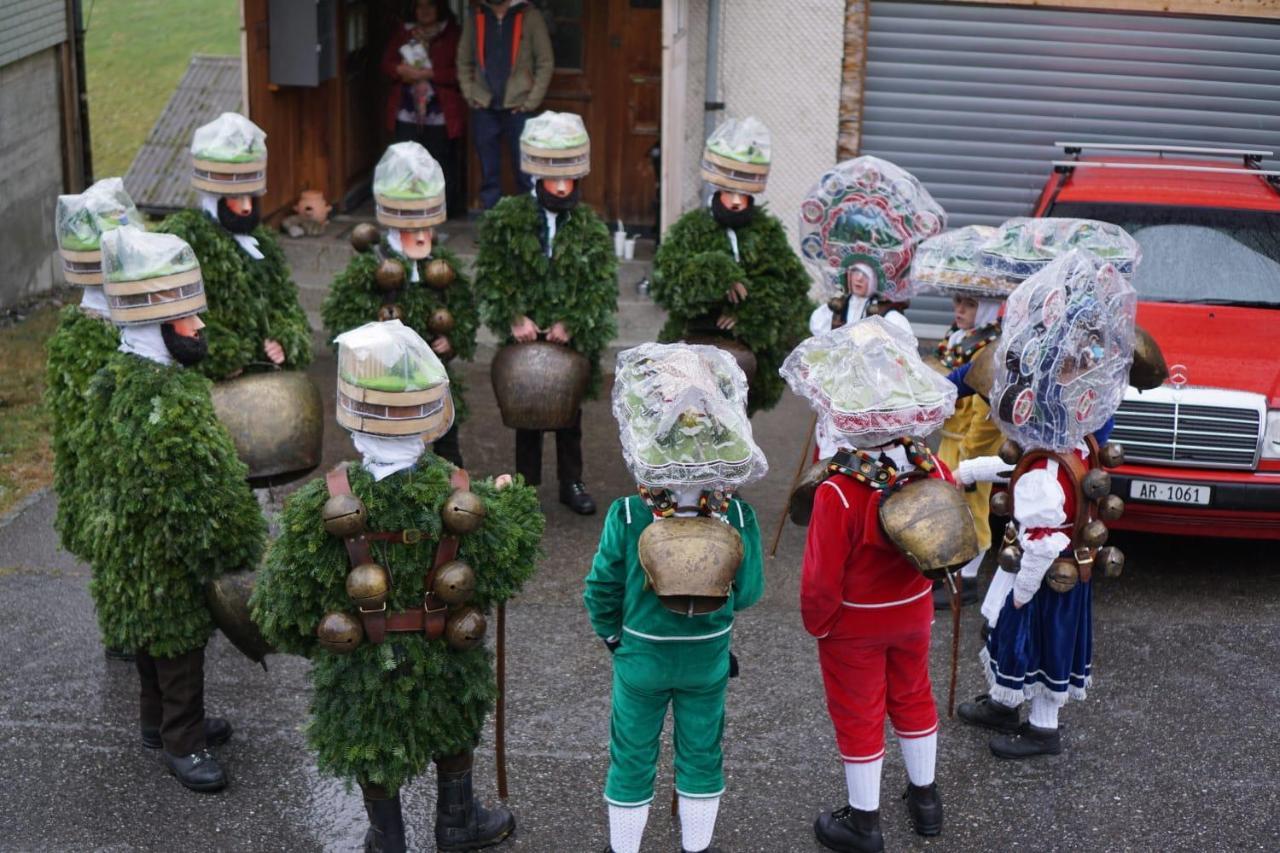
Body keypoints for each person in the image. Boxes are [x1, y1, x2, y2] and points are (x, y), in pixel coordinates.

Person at [252, 319, 544, 852]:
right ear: (430, 418)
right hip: (446, 655)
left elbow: (280, 610)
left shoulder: (324, 502)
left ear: (353, 414)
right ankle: (456, 821)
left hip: (364, 662)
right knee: (454, 720)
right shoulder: (461, 493)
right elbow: (507, 566)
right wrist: (510, 499)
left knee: (369, 738)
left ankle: (387, 836)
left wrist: (322, 645)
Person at [90, 227, 267, 792]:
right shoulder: (166, 399)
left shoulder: (118, 375)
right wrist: (240, 543)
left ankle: (156, 724)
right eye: (186, 319)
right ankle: (184, 743)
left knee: (150, 638)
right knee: (177, 644)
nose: (198, 327)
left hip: (129, 545)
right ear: (153, 323)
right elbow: (197, 494)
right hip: (165, 552)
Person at [781, 317, 963, 853]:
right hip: (912, 610)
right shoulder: (928, 464)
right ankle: (925, 799)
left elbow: (820, 575)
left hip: (856, 621)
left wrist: (820, 623)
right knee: (913, 696)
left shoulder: (840, 489)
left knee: (859, 713)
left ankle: (864, 823)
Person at [953, 247, 1138, 760]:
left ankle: (1042, 728)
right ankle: (1002, 701)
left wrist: (1023, 589)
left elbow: (1042, 529)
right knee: (1017, 642)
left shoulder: (1048, 468)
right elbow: (1023, 466)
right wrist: (967, 472)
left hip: (1046, 572)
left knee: (1037, 644)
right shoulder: (1072, 445)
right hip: (1053, 562)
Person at [585, 342, 766, 853]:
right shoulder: (738, 516)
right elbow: (748, 593)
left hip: (640, 654)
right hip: (707, 655)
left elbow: (599, 590)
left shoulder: (626, 513)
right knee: (702, 753)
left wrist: (614, 636)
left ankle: (624, 848)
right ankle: (695, 847)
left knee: (632, 754)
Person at [475, 111, 617, 515]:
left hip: (566, 338)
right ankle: (526, 483)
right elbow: (491, 275)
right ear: (538, 178)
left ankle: (571, 481)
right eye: (553, 180)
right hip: (524, 335)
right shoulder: (507, 219)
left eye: (568, 180)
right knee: (526, 412)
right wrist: (512, 317)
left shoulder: (589, 226)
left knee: (569, 415)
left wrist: (573, 322)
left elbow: (600, 287)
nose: (561, 187)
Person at [322, 142, 478, 466]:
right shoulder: (369, 268)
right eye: (414, 227)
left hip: (437, 386)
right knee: (391, 458)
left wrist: (453, 338)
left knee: (449, 452)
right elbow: (346, 326)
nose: (422, 235)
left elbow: (465, 310)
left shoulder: (442, 263)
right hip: (387, 391)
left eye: (427, 227)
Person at [651, 117, 812, 415]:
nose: (737, 202)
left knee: (736, 428)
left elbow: (787, 286)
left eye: (744, 194)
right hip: (694, 341)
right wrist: (718, 273)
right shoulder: (692, 228)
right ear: (717, 188)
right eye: (730, 193)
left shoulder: (767, 233)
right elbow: (667, 283)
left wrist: (747, 316)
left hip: (745, 351)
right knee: (693, 425)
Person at [798, 156, 946, 465]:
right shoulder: (830, 312)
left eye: (864, 275)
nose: (858, 280)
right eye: (853, 274)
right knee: (826, 459)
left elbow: (900, 363)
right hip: (834, 398)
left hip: (870, 405)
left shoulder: (890, 318)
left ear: (877, 278)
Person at [48, 179, 134, 661]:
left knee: (127, 556)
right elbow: (83, 418)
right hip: (102, 472)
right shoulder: (83, 336)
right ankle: (124, 635)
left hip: (118, 470)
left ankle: (130, 631)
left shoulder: (124, 326)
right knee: (114, 557)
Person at [159, 112, 312, 380]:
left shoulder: (263, 245)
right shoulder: (184, 241)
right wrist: (223, 354)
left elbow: (287, 307)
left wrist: (285, 340)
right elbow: (173, 321)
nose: (246, 207)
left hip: (268, 383)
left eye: (251, 196)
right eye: (234, 197)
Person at [908, 224, 1010, 608]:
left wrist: (973, 449)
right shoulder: (957, 337)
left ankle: (967, 579)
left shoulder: (989, 347)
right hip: (949, 439)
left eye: (967, 304)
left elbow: (985, 407)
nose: (959, 311)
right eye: (956, 303)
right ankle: (951, 570)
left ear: (983, 306)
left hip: (971, 443)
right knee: (948, 503)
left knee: (973, 508)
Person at [458, 0, 554, 209]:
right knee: (488, 175)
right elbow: (463, 60)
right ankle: (491, 228)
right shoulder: (476, 16)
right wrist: (470, 93)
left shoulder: (530, 16)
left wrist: (530, 102)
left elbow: (545, 62)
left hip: (519, 108)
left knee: (525, 173)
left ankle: (528, 228)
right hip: (484, 106)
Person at [382, 0, 466, 217]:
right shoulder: (404, 33)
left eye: (430, 5)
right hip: (407, 108)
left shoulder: (453, 34)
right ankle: (407, 207)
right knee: (405, 156)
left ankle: (441, 209)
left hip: (440, 110)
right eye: (420, 6)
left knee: (440, 159)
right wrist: (400, 69)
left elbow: (462, 71)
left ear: (440, 8)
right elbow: (387, 63)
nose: (425, 11)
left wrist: (431, 74)